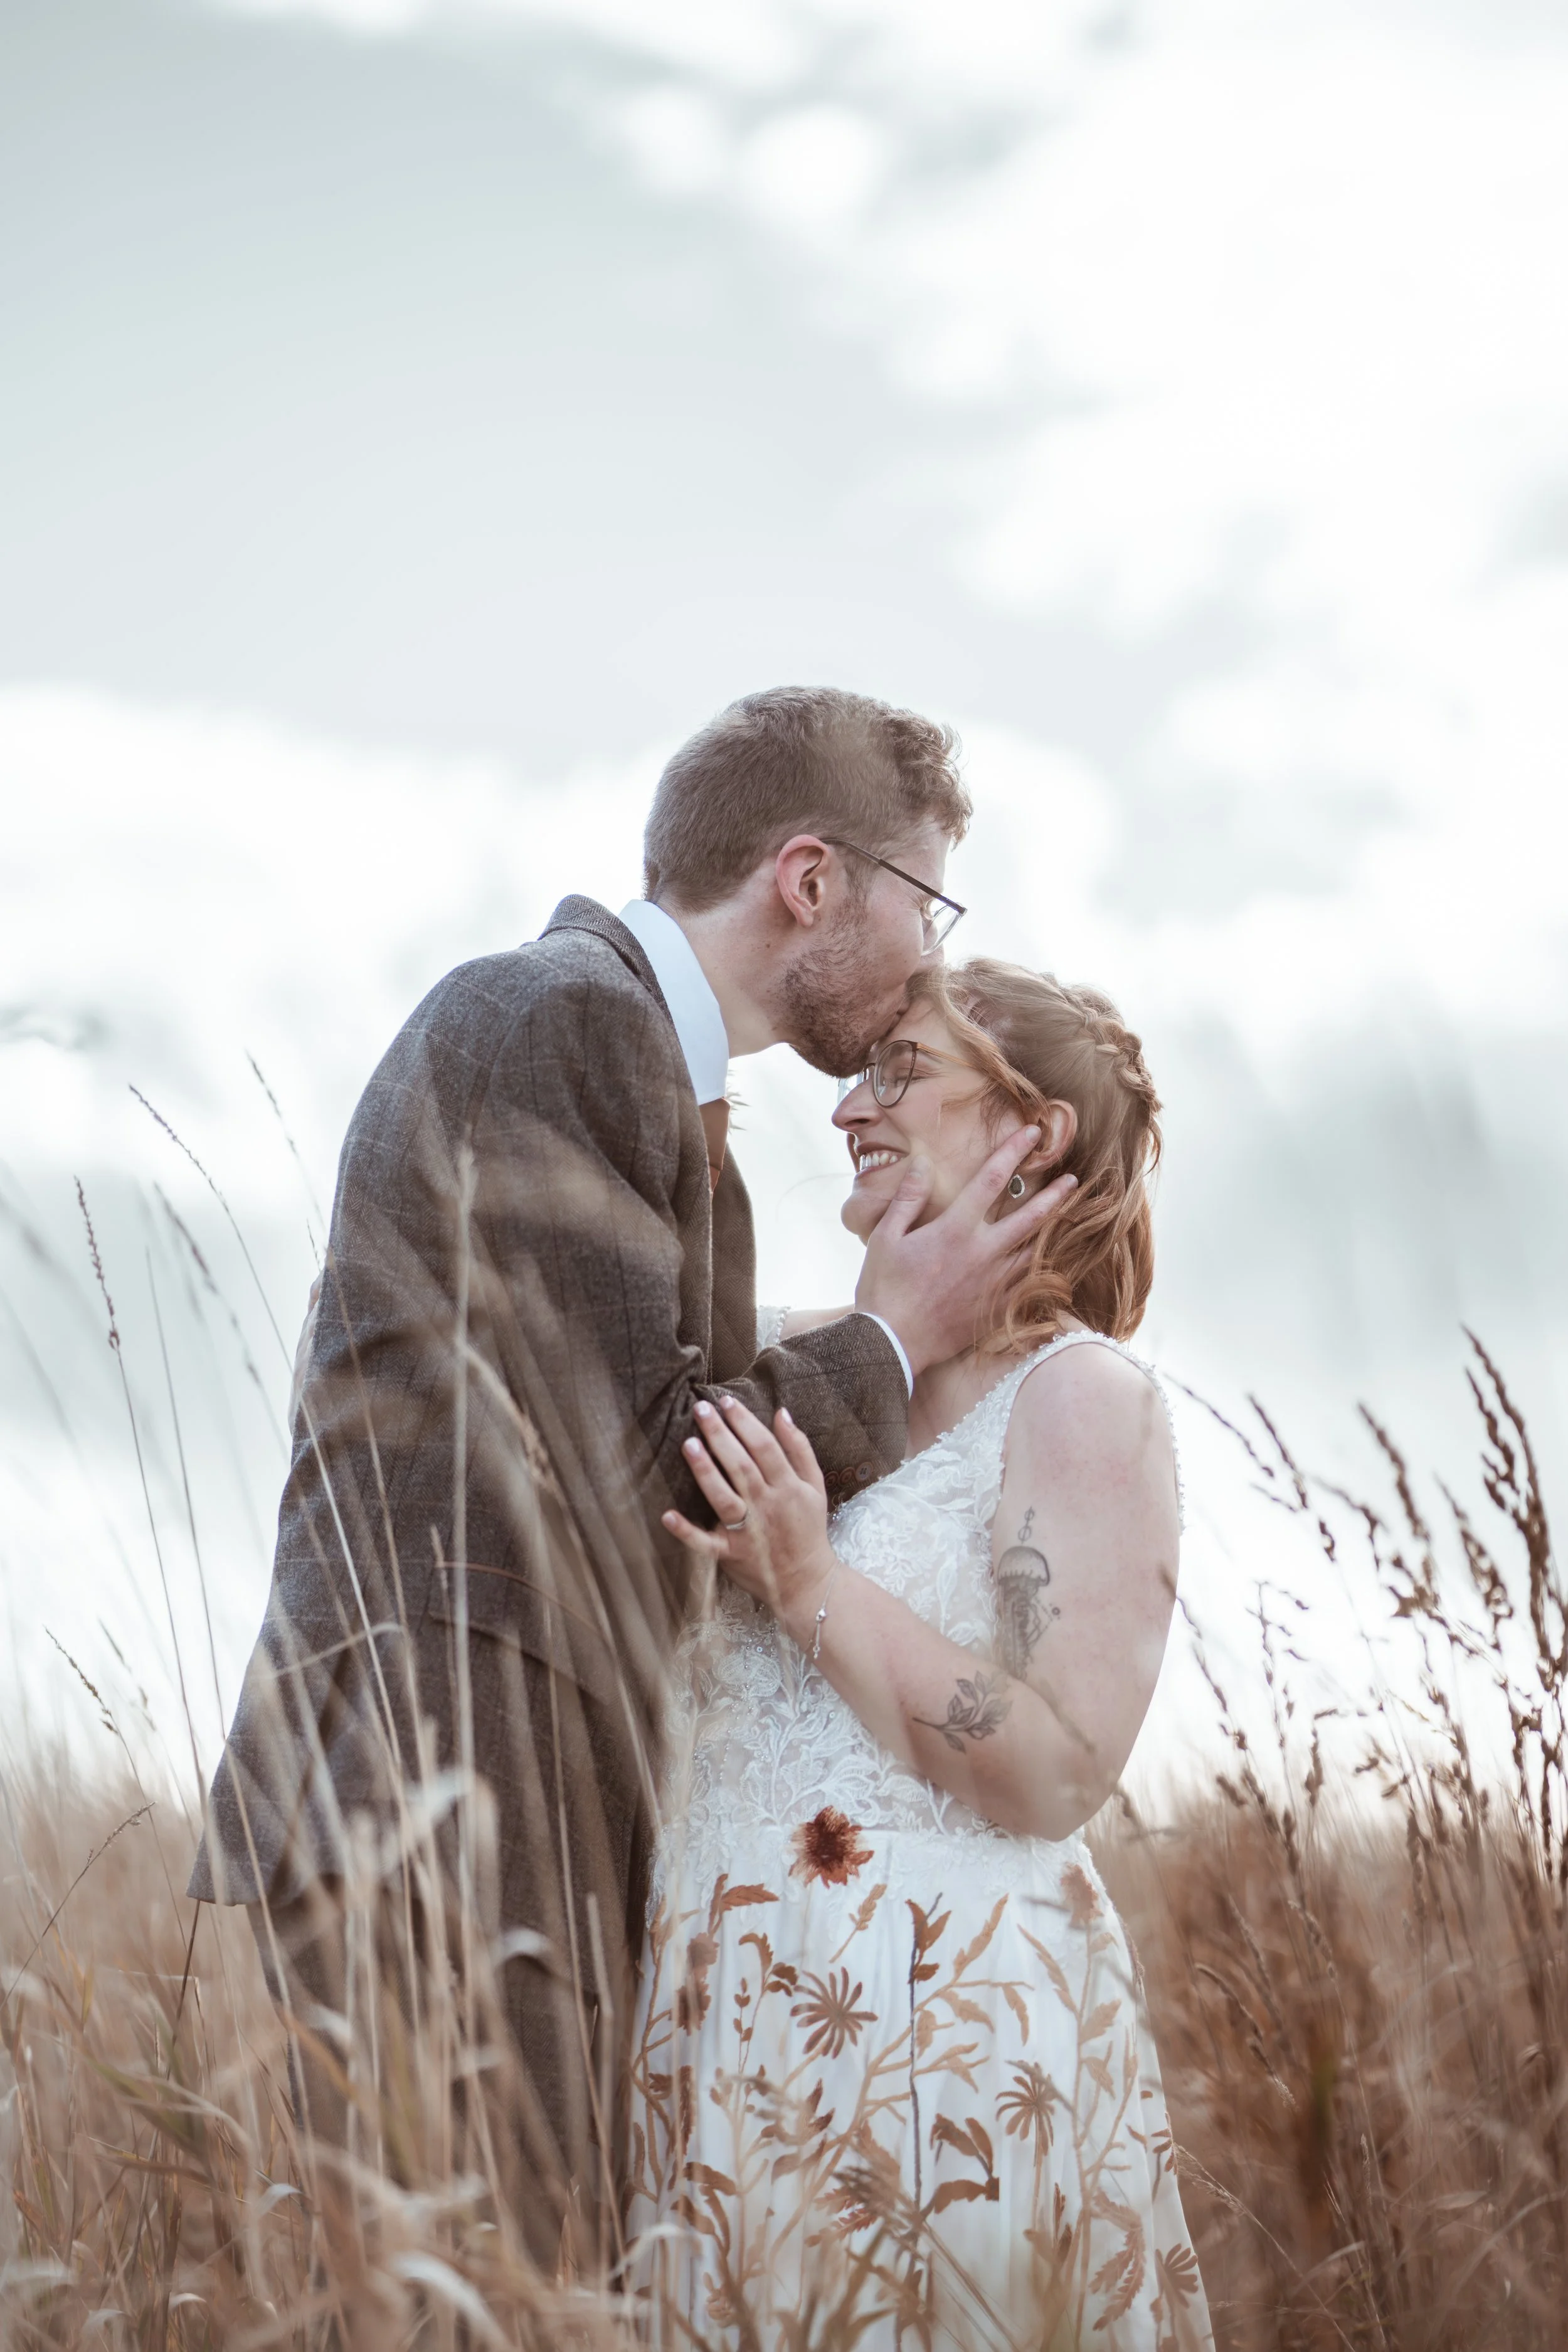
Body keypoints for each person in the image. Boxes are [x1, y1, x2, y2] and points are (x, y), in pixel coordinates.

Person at [187, 689, 1074, 2270]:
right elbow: (632, 1479)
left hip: (485, 1791)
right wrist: (888, 1340)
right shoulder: (560, 1019)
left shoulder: (634, 1072)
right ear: (811, 880)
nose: (930, 962)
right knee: (485, 2297)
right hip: (446, 1789)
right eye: (925, 904)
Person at [627, 959, 1213, 2350]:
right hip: (710, 2016)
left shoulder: (1079, 1400)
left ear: (1032, 1133)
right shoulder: (779, 1360)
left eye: (898, 1069)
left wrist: (810, 1582)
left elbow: (1057, 1769)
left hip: (933, 2021)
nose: (846, 1107)